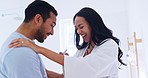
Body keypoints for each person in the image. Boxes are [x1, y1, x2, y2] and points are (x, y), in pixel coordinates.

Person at [9, 7, 126, 78]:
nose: (79, 32)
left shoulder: (109, 46)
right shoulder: (83, 49)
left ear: (93, 24)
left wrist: (39, 49)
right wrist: (43, 71)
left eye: (81, 27)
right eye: (76, 28)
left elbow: (83, 69)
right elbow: (71, 73)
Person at [0, 0, 64, 78]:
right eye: (52, 25)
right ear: (38, 19)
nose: (52, 32)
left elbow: (43, 72)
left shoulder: (24, 43)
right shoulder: (21, 51)